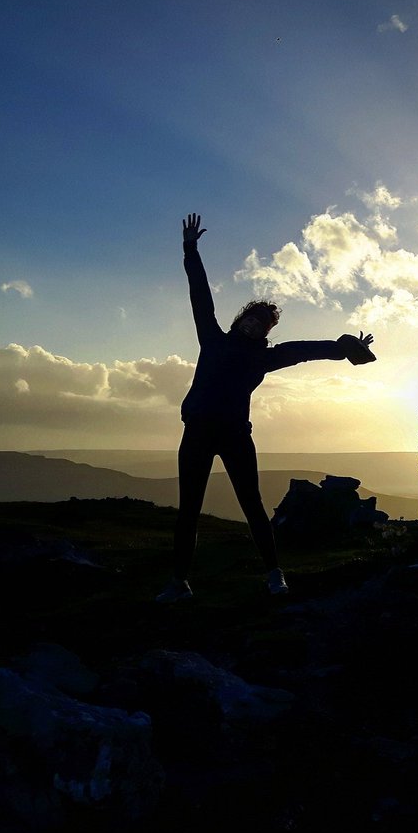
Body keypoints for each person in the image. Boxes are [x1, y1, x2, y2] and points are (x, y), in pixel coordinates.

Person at [156, 213, 375, 603]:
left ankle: (275, 575)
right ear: (241, 320)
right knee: (188, 508)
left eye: (263, 324)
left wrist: (346, 349)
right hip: (198, 431)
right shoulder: (212, 339)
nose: (255, 326)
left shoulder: (266, 357)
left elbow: (307, 351)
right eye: (252, 320)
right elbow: (200, 295)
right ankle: (179, 583)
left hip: (236, 434)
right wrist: (190, 250)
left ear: (266, 332)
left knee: (252, 504)